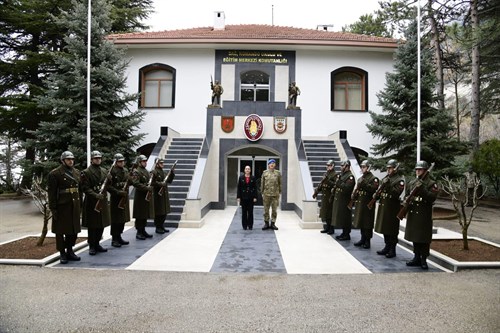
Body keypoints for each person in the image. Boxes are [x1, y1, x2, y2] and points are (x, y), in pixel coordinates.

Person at [47, 151, 82, 264]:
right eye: (68, 159)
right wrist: (53, 208)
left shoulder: (77, 172)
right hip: (62, 206)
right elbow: (51, 193)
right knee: (61, 231)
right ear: (63, 161)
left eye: (72, 159)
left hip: (74, 205)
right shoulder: (55, 173)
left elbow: (79, 190)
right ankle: (62, 252)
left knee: (73, 230)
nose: (71, 161)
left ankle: (70, 250)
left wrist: (80, 204)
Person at [404, 161, 439, 270]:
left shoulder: (431, 183)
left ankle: (423, 259)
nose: (418, 171)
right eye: (417, 169)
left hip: (424, 215)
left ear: (425, 171)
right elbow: (407, 195)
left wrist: (422, 189)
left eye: (420, 169)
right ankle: (416, 257)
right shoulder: (413, 182)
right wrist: (406, 200)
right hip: (414, 213)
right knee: (415, 237)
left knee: (423, 238)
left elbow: (432, 197)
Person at [81, 150, 111, 255]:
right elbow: (85, 188)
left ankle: (97, 243)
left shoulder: (104, 171)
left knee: (101, 224)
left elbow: (108, 185)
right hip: (92, 201)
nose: (98, 160)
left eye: (99, 158)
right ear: (92, 160)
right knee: (93, 225)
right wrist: (95, 195)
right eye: (96, 158)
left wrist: (109, 180)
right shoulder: (86, 172)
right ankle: (92, 245)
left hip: (102, 200)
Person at [373, 159, 405, 258]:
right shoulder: (386, 178)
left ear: (395, 169)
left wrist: (388, 184)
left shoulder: (399, 180)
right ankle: (387, 246)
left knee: (392, 230)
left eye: (390, 168)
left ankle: (392, 249)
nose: (388, 170)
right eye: (388, 168)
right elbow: (382, 191)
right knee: (385, 229)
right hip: (384, 207)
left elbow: (396, 193)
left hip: (392, 208)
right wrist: (376, 195)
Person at [351, 160, 379, 249]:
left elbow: (373, 189)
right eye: (362, 167)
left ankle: (367, 241)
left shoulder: (373, 179)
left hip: (367, 205)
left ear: (368, 168)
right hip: (360, 204)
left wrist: (365, 184)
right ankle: (362, 239)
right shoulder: (360, 179)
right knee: (361, 222)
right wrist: (354, 195)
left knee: (367, 224)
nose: (362, 169)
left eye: (364, 167)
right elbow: (357, 189)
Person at [107, 153, 131, 248]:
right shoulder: (112, 171)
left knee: (123, 219)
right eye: (120, 161)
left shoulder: (125, 170)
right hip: (116, 198)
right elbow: (108, 186)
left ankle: (119, 236)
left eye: (122, 161)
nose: (122, 163)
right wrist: (117, 192)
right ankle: (114, 239)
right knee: (116, 219)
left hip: (124, 198)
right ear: (116, 162)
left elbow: (129, 182)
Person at [331, 160, 356, 240]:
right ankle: (344, 233)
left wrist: (338, 183)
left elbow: (347, 188)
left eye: (343, 166)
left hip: (345, 200)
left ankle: (346, 234)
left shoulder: (350, 176)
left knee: (345, 218)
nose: (341, 167)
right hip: (340, 199)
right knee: (342, 217)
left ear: (347, 166)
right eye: (341, 166)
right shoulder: (342, 175)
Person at [131, 155, 154, 240]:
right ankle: (139, 232)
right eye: (143, 161)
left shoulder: (146, 171)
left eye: (146, 161)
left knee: (144, 215)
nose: (145, 163)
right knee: (140, 215)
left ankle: (143, 230)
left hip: (146, 196)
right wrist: (146, 188)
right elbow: (136, 183)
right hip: (140, 197)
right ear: (139, 162)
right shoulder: (136, 171)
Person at [313, 160, 337, 234]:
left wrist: (327, 181)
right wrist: (316, 192)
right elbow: (322, 183)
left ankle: (331, 228)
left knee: (329, 213)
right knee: (325, 213)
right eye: (327, 165)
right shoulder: (326, 174)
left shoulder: (335, 174)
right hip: (324, 195)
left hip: (330, 196)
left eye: (329, 165)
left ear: (333, 166)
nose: (328, 167)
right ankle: (327, 227)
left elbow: (335, 185)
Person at [151, 157, 175, 234]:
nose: (162, 164)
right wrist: (161, 184)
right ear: (157, 164)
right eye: (161, 163)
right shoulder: (154, 172)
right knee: (158, 212)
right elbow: (152, 183)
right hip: (157, 195)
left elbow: (169, 181)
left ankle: (161, 226)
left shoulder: (164, 172)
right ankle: (158, 227)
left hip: (163, 194)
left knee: (164, 212)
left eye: (162, 163)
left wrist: (172, 174)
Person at [261, 159, 282, 230]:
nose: (272, 164)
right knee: (266, 210)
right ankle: (266, 223)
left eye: (273, 163)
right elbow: (262, 183)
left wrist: (280, 192)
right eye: (270, 163)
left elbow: (280, 183)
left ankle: (273, 223)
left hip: (275, 195)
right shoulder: (265, 173)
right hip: (266, 194)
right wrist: (262, 192)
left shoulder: (278, 173)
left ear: (275, 165)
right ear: (268, 165)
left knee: (274, 210)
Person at [237, 165, 258, 230]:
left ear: (250, 170)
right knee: (244, 212)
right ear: (244, 170)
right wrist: (238, 197)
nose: (247, 170)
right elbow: (239, 188)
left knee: (250, 212)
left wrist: (255, 197)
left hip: (251, 197)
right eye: (246, 169)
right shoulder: (241, 178)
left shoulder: (253, 178)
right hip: (243, 198)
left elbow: (255, 188)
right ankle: (244, 225)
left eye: (248, 169)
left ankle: (250, 225)